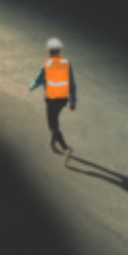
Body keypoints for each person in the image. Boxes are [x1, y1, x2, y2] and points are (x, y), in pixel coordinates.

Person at [28, 37, 77, 167]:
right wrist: (73, 101)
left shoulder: (47, 64)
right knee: (54, 120)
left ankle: (66, 148)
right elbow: (72, 83)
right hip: (62, 99)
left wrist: (31, 86)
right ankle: (52, 143)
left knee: (52, 125)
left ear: (49, 52)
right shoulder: (66, 64)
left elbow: (38, 79)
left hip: (51, 99)